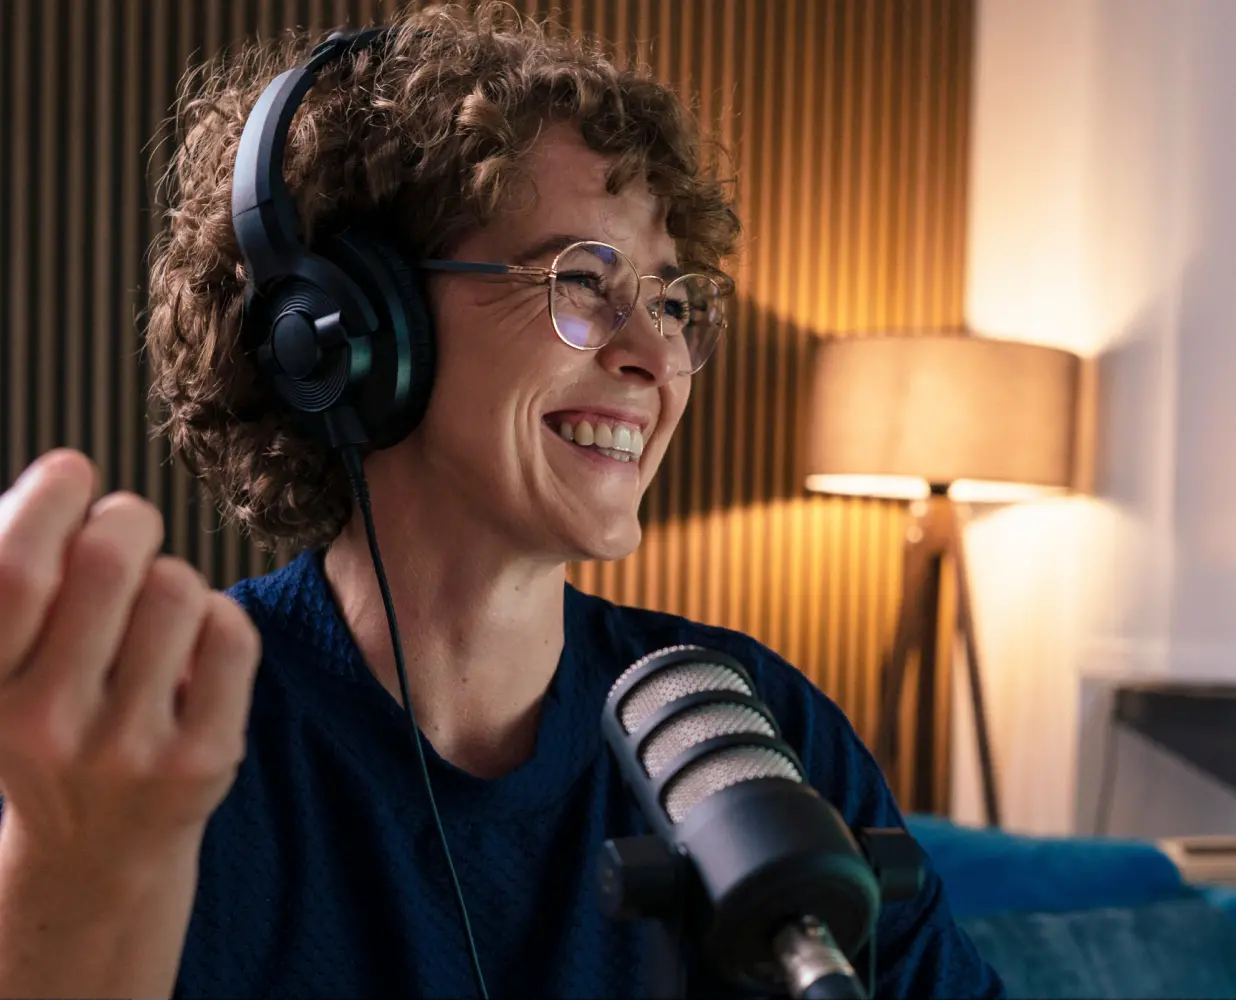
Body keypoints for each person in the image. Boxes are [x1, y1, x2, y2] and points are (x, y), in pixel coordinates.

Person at [0, 4, 1006, 999]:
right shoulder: (162, 743)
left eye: (669, 300)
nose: (655, 356)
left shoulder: (746, 726)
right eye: (579, 279)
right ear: (351, 334)